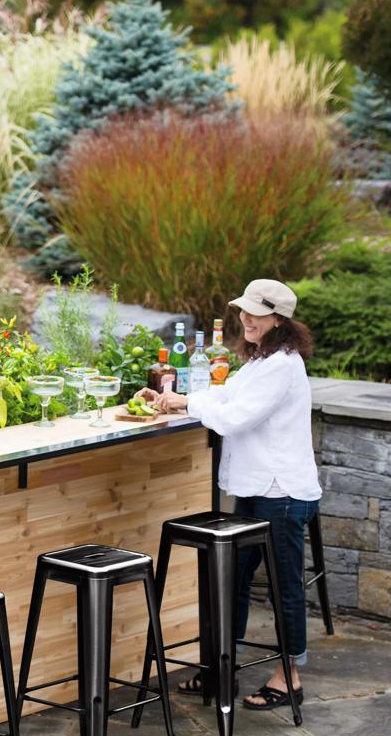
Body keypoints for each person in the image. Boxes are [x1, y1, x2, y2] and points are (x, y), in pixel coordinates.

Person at [138, 279, 322, 709]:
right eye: (243, 311)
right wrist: (177, 400)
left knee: (283, 587)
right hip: (257, 486)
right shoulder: (264, 359)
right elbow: (228, 393)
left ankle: (289, 676)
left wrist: (187, 404)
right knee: (234, 579)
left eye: (255, 313)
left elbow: (236, 417)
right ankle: (221, 671)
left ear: (279, 319)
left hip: (282, 491)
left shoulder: (282, 365)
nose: (245, 319)